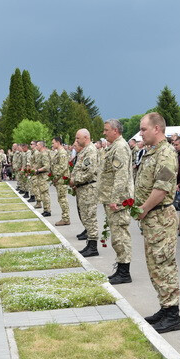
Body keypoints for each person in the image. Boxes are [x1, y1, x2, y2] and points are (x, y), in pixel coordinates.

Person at [136, 113, 180, 334]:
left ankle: (173, 314)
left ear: (157, 129)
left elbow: (162, 188)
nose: (141, 133)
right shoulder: (151, 152)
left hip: (160, 216)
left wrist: (143, 208)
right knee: (155, 265)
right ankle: (165, 307)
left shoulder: (166, 153)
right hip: (152, 219)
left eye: (143, 129)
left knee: (164, 264)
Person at [99, 119, 134, 284]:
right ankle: (121, 267)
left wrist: (115, 199)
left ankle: (124, 272)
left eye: (106, 130)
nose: (104, 133)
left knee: (120, 236)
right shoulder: (114, 146)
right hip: (113, 198)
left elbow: (121, 176)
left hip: (118, 200)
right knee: (116, 235)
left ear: (115, 130)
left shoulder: (120, 147)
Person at [70, 129, 100, 257]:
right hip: (83, 188)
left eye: (78, 138)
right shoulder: (85, 151)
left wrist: (75, 180)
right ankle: (89, 244)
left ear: (86, 137)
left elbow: (90, 172)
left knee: (90, 217)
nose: (76, 141)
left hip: (89, 189)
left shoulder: (91, 151)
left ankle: (93, 247)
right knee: (86, 217)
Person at [50, 137, 71, 226]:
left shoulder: (62, 153)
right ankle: (65, 217)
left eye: (53, 143)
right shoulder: (58, 152)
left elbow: (63, 167)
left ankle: (66, 218)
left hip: (62, 179)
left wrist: (56, 178)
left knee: (62, 199)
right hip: (59, 179)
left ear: (58, 143)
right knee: (61, 199)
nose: (52, 145)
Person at [33, 141, 52, 217]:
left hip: (43, 176)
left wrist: (38, 170)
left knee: (45, 193)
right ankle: (45, 209)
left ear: (41, 145)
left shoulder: (44, 154)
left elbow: (46, 166)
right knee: (42, 193)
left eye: (37, 145)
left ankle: (47, 210)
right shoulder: (40, 153)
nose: (36, 147)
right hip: (40, 176)